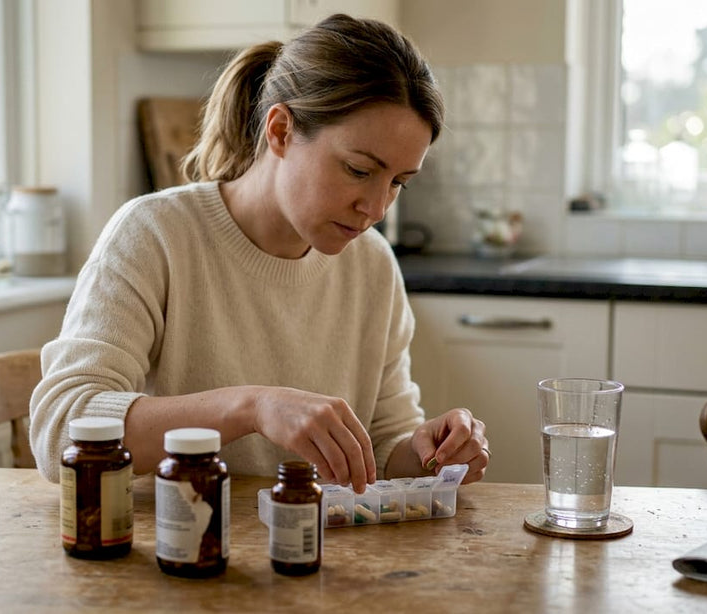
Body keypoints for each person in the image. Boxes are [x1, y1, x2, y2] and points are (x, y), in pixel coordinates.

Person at [30, 13, 489, 492]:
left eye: (397, 182)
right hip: (177, 551)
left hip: (314, 553)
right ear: (281, 130)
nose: (375, 207)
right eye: (357, 170)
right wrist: (253, 407)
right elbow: (61, 431)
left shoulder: (372, 264)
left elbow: (380, 446)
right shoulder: (155, 235)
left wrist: (429, 453)